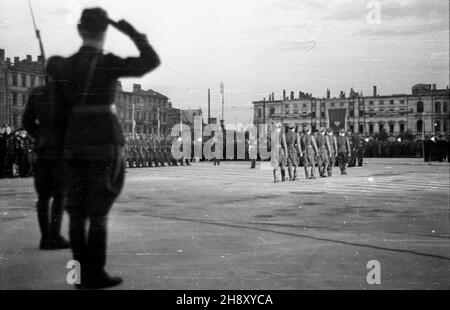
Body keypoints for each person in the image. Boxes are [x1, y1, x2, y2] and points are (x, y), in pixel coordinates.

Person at [49, 8, 160, 289]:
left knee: (75, 214)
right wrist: (132, 32)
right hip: (103, 142)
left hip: (73, 144)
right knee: (98, 213)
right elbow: (151, 60)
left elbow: (57, 113)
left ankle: (75, 277)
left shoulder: (63, 66)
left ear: (79, 30)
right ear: (104, 31)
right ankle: (95, 274)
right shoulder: (107, 62)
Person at [23, 84, 71, 250]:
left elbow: (26, 121)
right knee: (60, 193)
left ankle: (45, 238)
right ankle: (55, 236)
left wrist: (41, 136)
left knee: (43, 195)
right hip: (61, 148)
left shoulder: (37, 92)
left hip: (42, 147)